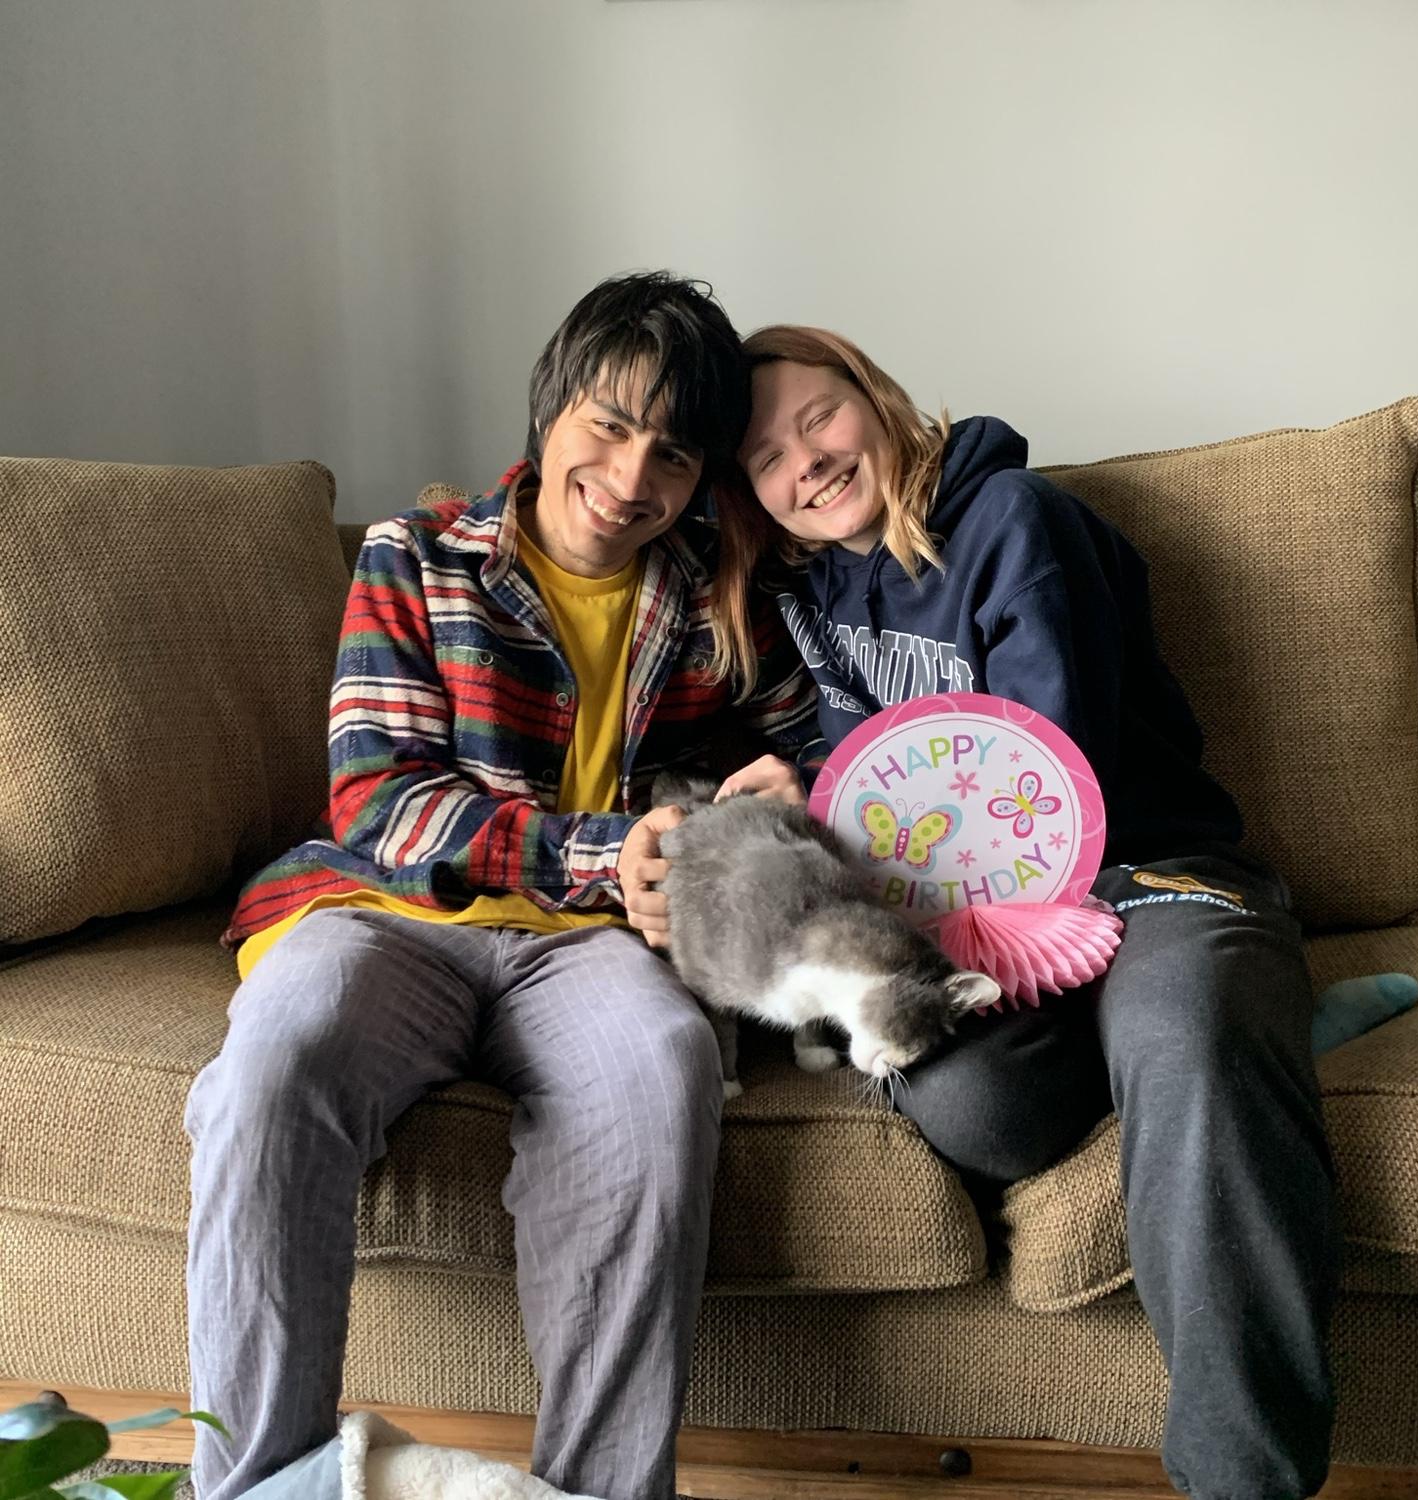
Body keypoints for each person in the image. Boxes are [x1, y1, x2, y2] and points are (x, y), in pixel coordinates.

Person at [185, 273, 821, 1500]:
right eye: (609, 426)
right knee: (278, 1055)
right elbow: (381, 801)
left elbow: (817, 747)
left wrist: (787, 791)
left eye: (673, 453)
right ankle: (256, 1487)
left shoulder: (719, 590)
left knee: (663, 1067)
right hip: (388, 917)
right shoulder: (416, 556)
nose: (632, 477)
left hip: (592, 949)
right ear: (549, 410)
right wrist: (606, 851)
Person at [697, 325, 1341, 1500]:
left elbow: (1046, 786)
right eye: (766, 457)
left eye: (818, 417)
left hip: (1147, 878)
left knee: (1190, 1036)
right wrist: (809, 793)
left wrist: (858, 818)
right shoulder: (813, 597)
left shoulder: (1016, 520)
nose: (807, 461)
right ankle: (1220, 1048)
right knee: (977, 1106)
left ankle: (1243, 1480)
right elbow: (882, 786)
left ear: (874, 397)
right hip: (980, 928)